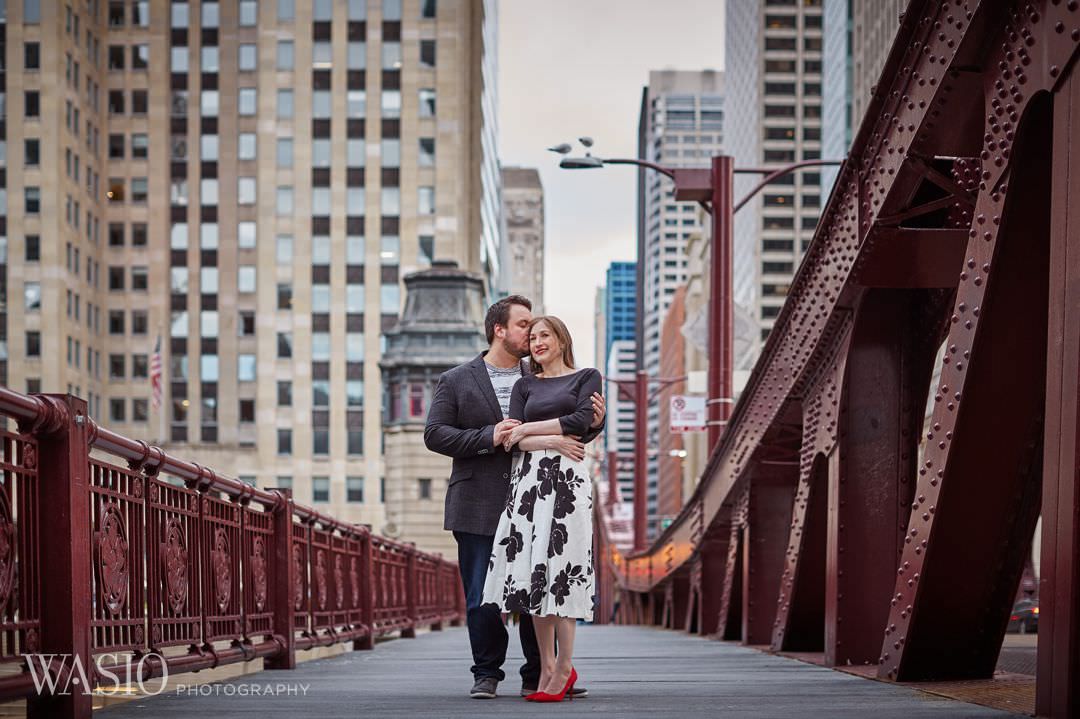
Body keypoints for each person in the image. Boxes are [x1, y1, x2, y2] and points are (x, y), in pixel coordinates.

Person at [424, 296, 604, 700]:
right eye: (524, 325)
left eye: (537, 327)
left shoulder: (540, 375)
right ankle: (486, 673)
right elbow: (435, 434)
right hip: (478, 499)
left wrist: (595, 422)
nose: (533, 332)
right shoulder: (456, 379)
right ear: (499, 330)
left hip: (538, 494)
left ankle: (539, 673)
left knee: (535, 584)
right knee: (481, 596)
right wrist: (489, 436)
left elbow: (573, 433)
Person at [481, 315, 602, 703]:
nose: (536, 342)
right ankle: (547, 667)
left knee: (563, 569)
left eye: (544, 335)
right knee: (534, 571)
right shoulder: (524, 384)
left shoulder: (587, 377)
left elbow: (581, 422)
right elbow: (510, 442)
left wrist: (529, 431)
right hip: (528, 483)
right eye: (531, 337)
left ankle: (565, 666)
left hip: (567, 481)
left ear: (562, 339)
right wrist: (554, 438)